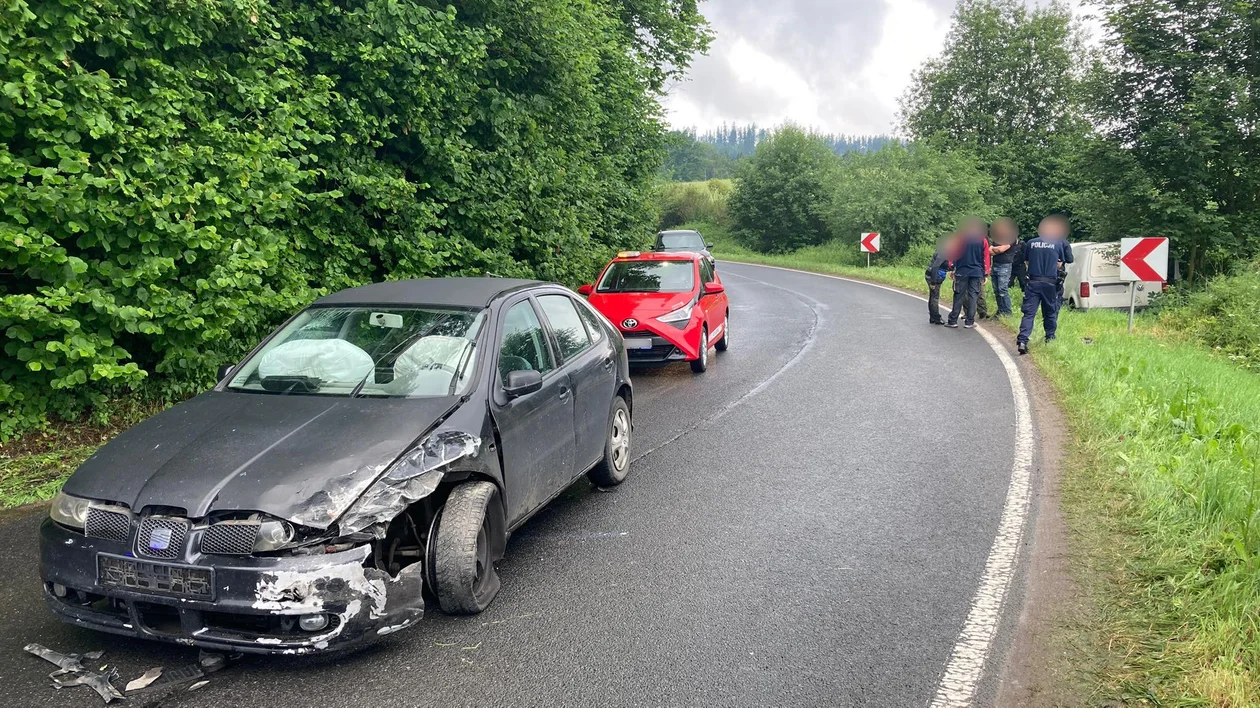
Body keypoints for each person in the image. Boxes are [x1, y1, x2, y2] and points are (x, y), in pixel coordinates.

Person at [1017, 214, 1072, 355]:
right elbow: (1060, 264)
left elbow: (1027, 262)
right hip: (1050, 283)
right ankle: (1050, 338)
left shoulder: (1031, 243)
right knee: (1050, 312)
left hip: (1033, 282)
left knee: (1029, 313)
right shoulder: (1058, 243)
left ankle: (1023, 340)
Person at [946, 217, 991, 329]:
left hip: (961, 271)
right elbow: (985, 257)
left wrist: (951, 268)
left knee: (958, 296)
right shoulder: (983, 240)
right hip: (976, 272)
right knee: (973, 296)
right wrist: (986, 273)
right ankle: (969, 321)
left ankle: (953, 320)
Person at [989, 218, 1020, 317]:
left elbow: (1002, 249)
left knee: (1002, 289)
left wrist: (996, 249)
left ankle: (1007, 312)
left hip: (1005, 265)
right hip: (995, 265)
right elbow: (989, 251)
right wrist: (996, 249)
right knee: (996, 290)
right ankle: (1000, 310)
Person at [924, 233, 957, 325]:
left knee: (932, 296)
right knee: (935, 297)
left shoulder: (944, 250)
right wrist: (933, 283)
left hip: (932, 274)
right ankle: (937, 318)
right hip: (934, 276)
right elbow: (935, 267)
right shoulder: (943, 253)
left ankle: (932, 317)